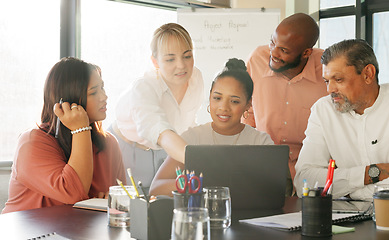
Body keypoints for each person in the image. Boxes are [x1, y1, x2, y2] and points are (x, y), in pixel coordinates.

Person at [294, 39, 389, 205]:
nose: (330, 89)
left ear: (368, 74)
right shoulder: (322, 110)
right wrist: (370, 173)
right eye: (327, 81)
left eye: (338, 79)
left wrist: (346, 192)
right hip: (344, 217)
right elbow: (304, 182)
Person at [2, 57, 125, 213]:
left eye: (102, 88)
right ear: (68, 101)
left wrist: (111, 202)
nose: (104, 97)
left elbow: (121, 201)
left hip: (81, 233)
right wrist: (80, 129)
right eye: (94, 92)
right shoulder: (32, 142)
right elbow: (72, 193)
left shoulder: (108, 143)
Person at [149, 58, 274, 196]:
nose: (223, 107)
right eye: (217, 98)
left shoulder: (261, 142)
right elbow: (156, 188)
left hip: (252, 217)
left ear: (248, 105)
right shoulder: (192, 138)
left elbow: (274, 190)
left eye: (234, 101)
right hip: (201, 216)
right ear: (209, 98)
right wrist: (192, 183)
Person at [110, 23, 204, 189]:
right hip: (127, 151)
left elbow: (189, 123)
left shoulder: (196, 78)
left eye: (187, 56)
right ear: (155, 61)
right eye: (170, 59)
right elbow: (159, 131)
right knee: (130, 208)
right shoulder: (144, 87)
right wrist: (203, 162)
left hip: (167, 150)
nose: (181, 65)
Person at [243, 13, 328, 196]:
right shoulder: (257, 59)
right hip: (264, 166)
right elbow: (247, 110)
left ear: (306, 52)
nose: (273, 53)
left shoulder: (326, 70)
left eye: (284, 50)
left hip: (311, 171)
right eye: (272, 43)